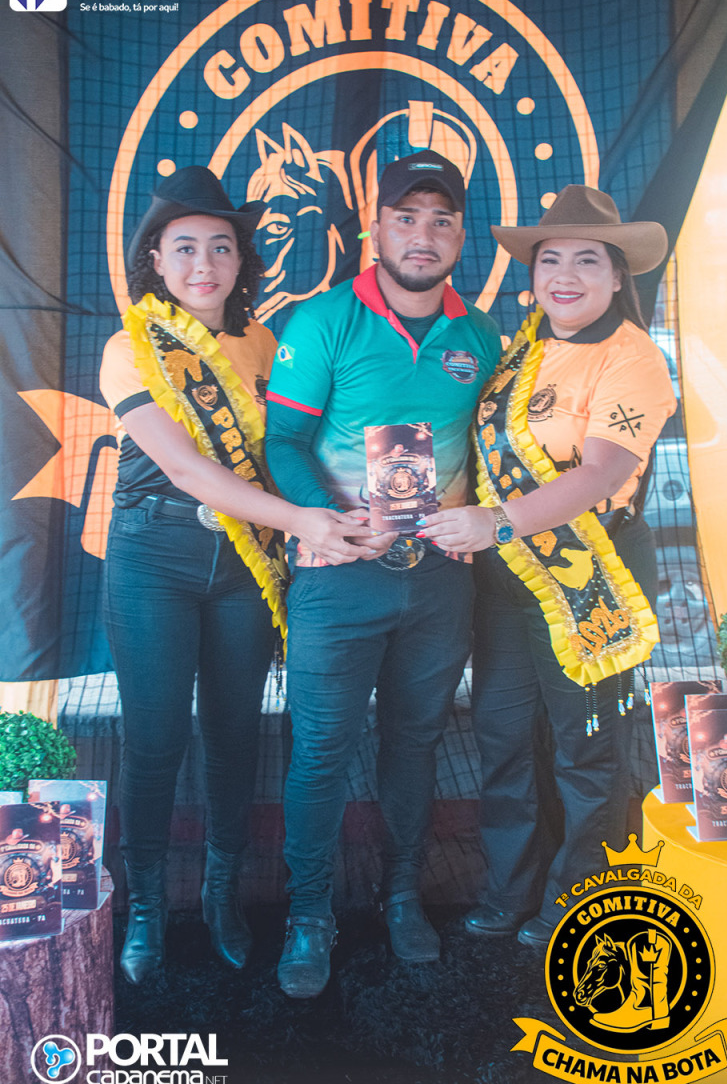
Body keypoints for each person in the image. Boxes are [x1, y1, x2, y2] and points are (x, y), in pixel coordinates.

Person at [100, 166, 369, 985]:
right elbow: (185, 469)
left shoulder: (264, 344)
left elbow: (294, 447)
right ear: (154, 258)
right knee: (153, 739)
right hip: (155, 558)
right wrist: (302, 521)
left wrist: (356, 500)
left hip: (245, 563)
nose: (204, 263)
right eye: (184, 247)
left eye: (221, 246)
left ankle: (221, 893)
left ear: (242, 258)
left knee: (233, 734)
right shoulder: (130, 346)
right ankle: (146, 905)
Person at [265, 150, 502, 997]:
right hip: (339, 576)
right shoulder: (323, 320)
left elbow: (499, 450)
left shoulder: (482, 336)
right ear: (377, 228)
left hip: (438, 582)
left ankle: (402, 894)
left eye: (441, 220)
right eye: (407, 218)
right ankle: (308, 914)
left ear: (461, 236)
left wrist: (483, 518)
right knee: (321, 751)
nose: (423, 235)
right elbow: (283, 443)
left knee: (417, 742)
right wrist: (322, 519)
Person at [419, 184, 676, 947]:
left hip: (590, 575)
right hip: (505, 581)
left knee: (585, 748)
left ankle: (583, 894)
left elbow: (600, 473)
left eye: (587, 260)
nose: (565, 275)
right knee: (502, 738)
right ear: (532, 274)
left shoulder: (633, 358)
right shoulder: (520, 352)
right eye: (550, 259)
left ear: (617, 275)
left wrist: (493, 522)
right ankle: (512, 888)